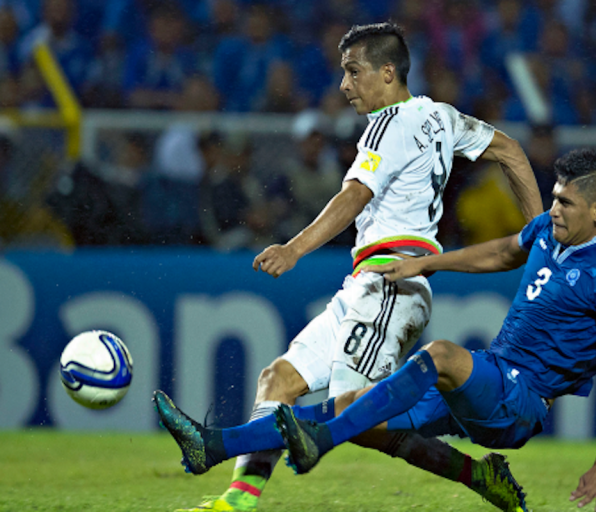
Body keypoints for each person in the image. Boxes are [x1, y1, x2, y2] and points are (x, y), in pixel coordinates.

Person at [161, 22, 543, 512]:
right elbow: (510, 150)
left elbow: (355, 194)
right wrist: (538, 231)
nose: (344, 85)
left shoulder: (388, 123)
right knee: (279, 382)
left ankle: (214, 444)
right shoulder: (440, 117)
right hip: (368, 283)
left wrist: (294, 248)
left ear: (388, 73)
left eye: (353, 71)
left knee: (352, 414)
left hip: (392, 282)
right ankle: (235, 503)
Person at [153, 148, 596, 512]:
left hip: (522, 402)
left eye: (566, 203)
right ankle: (213, 446)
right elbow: (504, 252)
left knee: (442, 356)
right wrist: (429, 264)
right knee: (355, 411)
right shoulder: (548, 231)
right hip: (492, 375)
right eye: (554, 198)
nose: (553, 210)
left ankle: (316, 444)